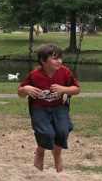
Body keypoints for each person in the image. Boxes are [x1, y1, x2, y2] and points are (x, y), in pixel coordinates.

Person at [17, 43, 80, 172]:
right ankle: (40, 151)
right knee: (46, 133)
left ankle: (57, 155)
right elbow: (20, 93)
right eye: (55, 58)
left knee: (62, 132)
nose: (59, 61)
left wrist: (64, 89)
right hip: (39, 109)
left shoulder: (64, 72)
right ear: (43, 61)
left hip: (59, 107)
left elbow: (77, 89)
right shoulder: (34, 75)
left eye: (60, 58)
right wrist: (25, 89)